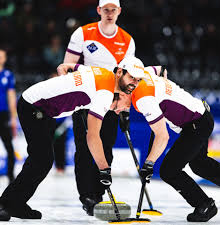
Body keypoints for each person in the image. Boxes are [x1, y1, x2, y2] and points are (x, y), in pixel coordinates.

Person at [0, 56, 147, 221]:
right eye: (131, 77)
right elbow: (92, 137)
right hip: (34, 106)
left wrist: (67, 83)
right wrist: (104, 169)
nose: (134, 82)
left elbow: (64, 67)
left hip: (45, 110)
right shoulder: (105, 94)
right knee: (42, 160)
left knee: (41, 160)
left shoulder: (103, 72)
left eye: (138, 80)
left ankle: (16, 202)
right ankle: (5, 204)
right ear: (120, 72)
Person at [63, 0, 136, 215]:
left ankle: (99, 193)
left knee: (106, 148)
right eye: (106, 9)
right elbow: (67, 67)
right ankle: (87, 195)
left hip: (111, 103)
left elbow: (128, 79)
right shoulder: (82, 34)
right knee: (85, 149)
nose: (110, 13)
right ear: (99, 10)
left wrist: (125, 109)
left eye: (114, 9)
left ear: (120, 11)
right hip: (85, 100)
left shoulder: (127, 40)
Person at [128, 66, 220, 222]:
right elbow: (160, 68)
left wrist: (148, 164)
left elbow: (162, 136)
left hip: (196, 123)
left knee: (169, 170)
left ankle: (204, 205)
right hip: (200, 116)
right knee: (200, 164)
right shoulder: (143, 74)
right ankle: (204, 204)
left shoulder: (143, 97)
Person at [0, 48, 16, 184]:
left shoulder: (8, 75)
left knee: (8, 145)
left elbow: (11, 96)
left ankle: (11, 175)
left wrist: (13, 117)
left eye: (2, 56)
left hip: (3, 114)